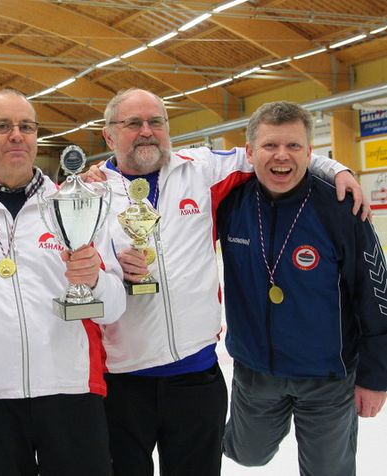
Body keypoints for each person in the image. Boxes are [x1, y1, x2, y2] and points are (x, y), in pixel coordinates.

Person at [89, 88, 365, 476]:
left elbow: (272, 152)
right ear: (109, 135)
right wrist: (112, 270)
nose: (147, 131)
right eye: (133, 123)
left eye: (157, 122)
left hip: (196, 377)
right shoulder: (87, 194)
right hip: (121, 379)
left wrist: (336, 168)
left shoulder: (200, 169)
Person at [0, 89, 126, 476]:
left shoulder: (79, 205)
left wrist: (93, 279)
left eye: (26, 126)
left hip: (70, 389)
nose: (16, 135)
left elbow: (114, 308)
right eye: (3, 126)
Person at [217, 101, 387, 476]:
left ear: (310, 152)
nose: (282, 156)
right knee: (246, 454)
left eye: (294, 146)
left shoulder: (341, 207)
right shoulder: (229, 204)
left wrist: (375, 377)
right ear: (249, 153)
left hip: (326, 376)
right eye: (270, 146)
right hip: (256, 371)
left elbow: (376, 294)